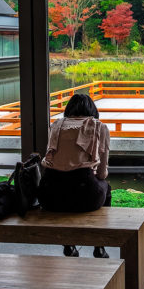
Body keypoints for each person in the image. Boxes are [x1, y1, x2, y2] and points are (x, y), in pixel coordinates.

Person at [38, 93, 112, 258]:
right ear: (93, 109)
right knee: (106, 187)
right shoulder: (99, 127)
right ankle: (99, 245)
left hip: (49, 196)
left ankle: (69, 244)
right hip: (85, 196)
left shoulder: (56, 125)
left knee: (63, 189)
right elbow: (101, 173)